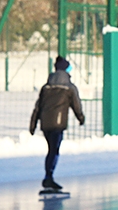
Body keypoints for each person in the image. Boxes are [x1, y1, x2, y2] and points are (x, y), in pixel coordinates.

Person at [29, 56, 85, 191]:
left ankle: (49, 177)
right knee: (54, 151)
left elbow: (38, 107)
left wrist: (33, 124)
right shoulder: (69, 88)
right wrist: (80, 117)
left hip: (45, 123)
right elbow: (76, 105)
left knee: (51, 150)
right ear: (66, 70)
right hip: (58, 123)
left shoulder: (46, 87)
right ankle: (48, 178)